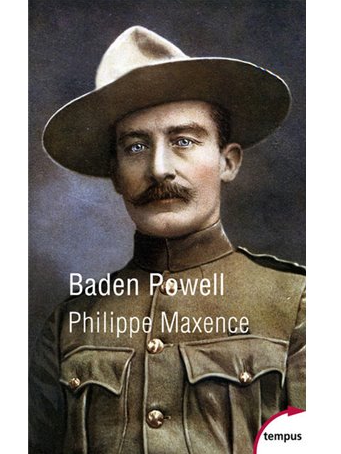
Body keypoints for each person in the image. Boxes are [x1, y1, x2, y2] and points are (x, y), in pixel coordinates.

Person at [29, 26, 306, 454]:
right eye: (135, 147)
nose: (159, 168)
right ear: (116, 175)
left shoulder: (296, 305)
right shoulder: (71, 324)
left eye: (183, 141)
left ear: (228, 161)